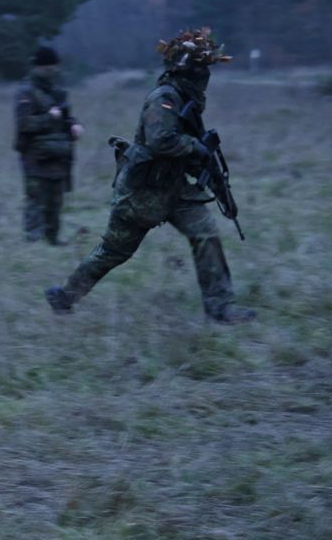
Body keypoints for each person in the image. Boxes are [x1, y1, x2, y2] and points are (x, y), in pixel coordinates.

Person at [45, 28, 256, 324]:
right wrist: (196, 148)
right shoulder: (164, 98)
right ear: (188, 71)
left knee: (206, 235)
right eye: (200, 71)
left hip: (176, 190)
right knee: (113, 252)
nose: (204, 78)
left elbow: (188, 152)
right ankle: (65, 297)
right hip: (142, 193)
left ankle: (220, 307)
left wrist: (208, 170)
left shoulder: (186, 102)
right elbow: (161, 140)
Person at [15, 46, 83, 244]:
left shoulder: (57, 90)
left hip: (58, 154)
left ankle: (53, 238)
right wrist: (48, 118)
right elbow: (24, 123)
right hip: (34, 156)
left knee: (56, 199)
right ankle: (33, 240)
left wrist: (75, 125)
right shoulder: (26, 92)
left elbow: (66, 116)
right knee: (36, 198)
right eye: (48, 68)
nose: (52, 71)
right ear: (39, 67)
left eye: (54, 67)